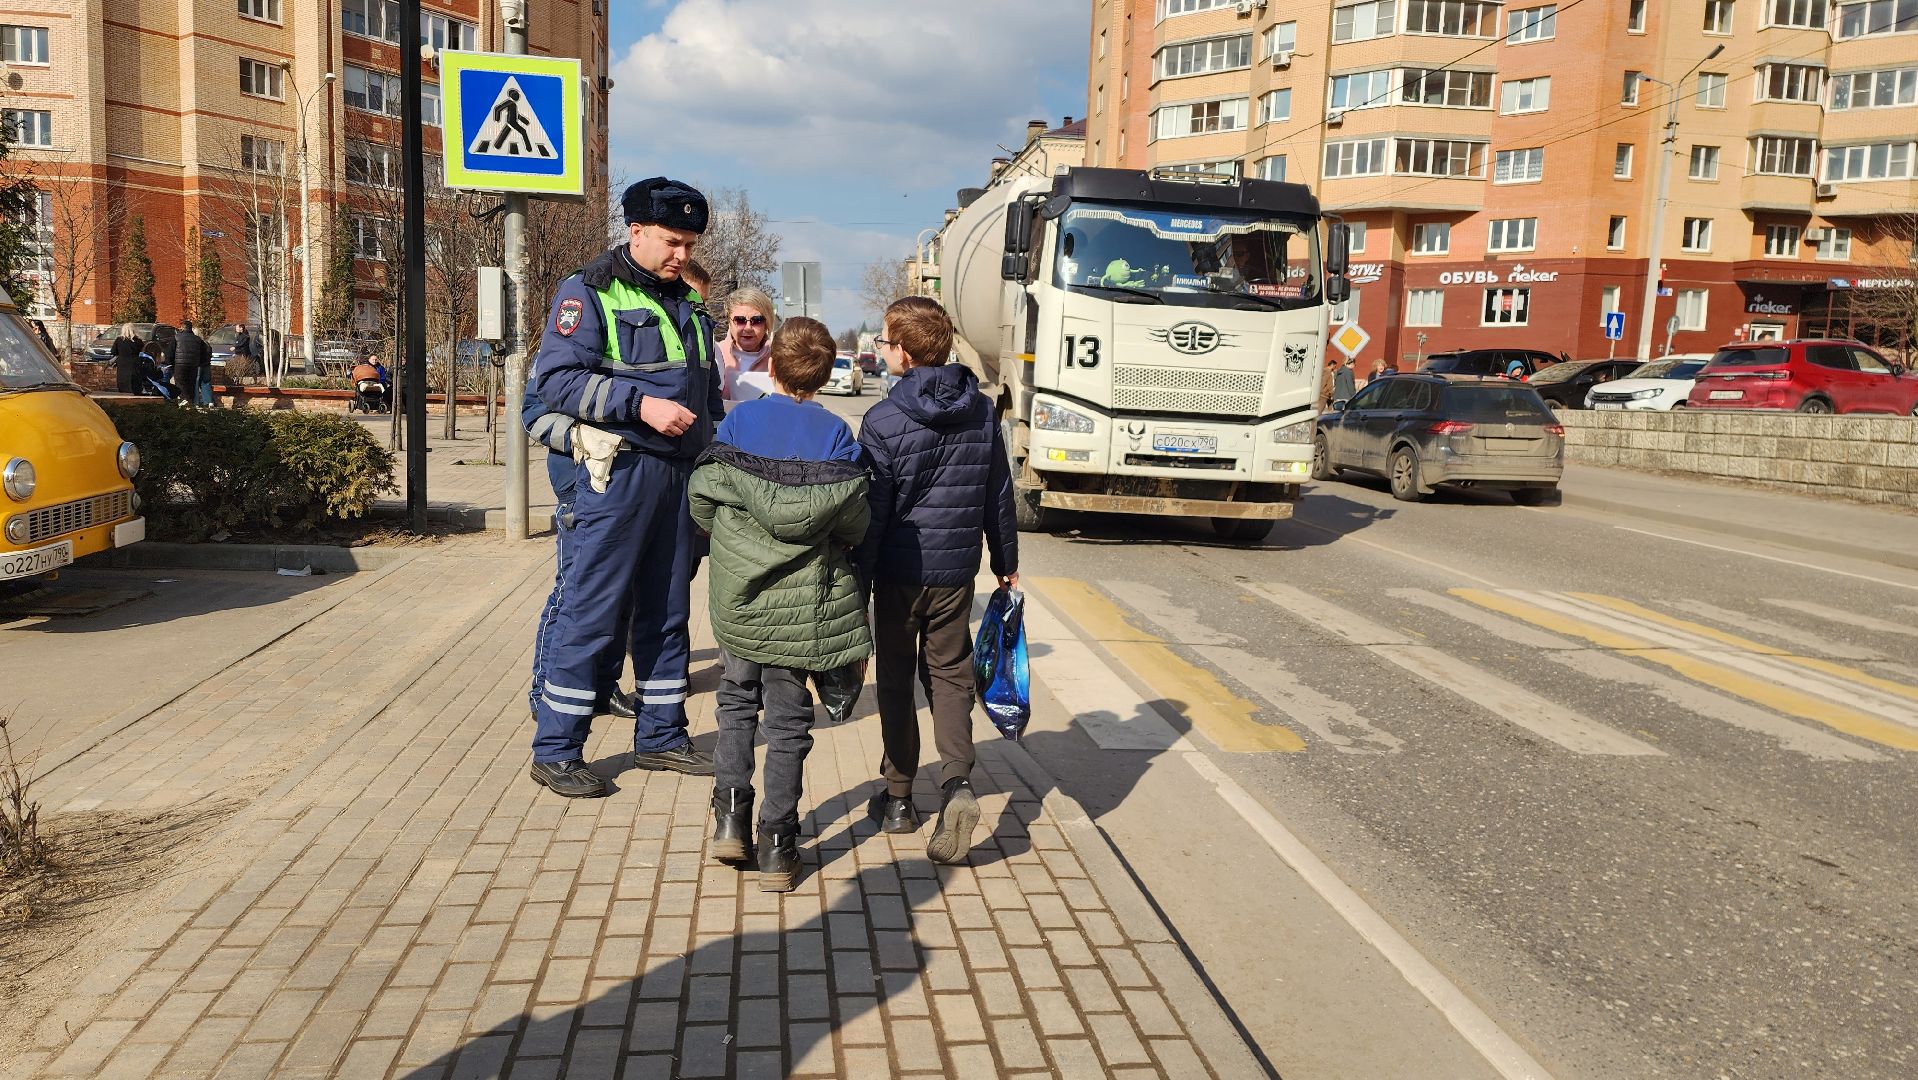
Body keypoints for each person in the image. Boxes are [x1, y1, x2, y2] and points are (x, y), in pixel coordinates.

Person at [527, 176, 723, 797]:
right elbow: (555, 383)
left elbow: (705, 396)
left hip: (678, 477)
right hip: (616, 475)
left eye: (690, 244)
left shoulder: (690, 307)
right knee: (594, 611)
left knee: (668, 611)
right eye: (672, 242)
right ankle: (557, 748)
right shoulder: (587, 295)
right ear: (635, 231)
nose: (682, 255)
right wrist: (639, 406)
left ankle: (661, 736)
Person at [688, 316, 870, 891]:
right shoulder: (838, 436)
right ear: (822, 374)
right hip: (802, 608)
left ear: (771, 364)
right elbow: (856, 521)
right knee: (789, 722)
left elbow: (705, 504)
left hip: (740, 598)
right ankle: (777, 842)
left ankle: (730, 821)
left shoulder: (740, 421)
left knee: (736, 702)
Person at [858, 296, 1018, 866]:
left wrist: (859, 582)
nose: (882, 348)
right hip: (956, 571)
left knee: (897, 680)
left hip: (898, 573)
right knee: (951, 677)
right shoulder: (980, 412)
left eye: (883, 340)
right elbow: (998, 493)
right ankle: (958, 785)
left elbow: (872, 513)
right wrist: (1005, 561)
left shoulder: (882, 420)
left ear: (902, 352)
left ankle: (899, 799)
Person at [715, 286, 774, 401]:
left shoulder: (778, 357)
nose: (748, 328)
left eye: (757, 320)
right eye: (740, 320)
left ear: (767, 323)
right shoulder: (715, 353)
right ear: (729, 321)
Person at [171, 321, 209, 407]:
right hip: (193, 366)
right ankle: (190, 401)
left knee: (180, 383)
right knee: (191, 384)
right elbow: (203, 353)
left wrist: (171, 363)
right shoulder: (198, 339)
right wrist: (200, 363)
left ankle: (182, 400)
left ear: (182, 327)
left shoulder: (176, 337)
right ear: (191, 328)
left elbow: (170, 352)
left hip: (179, 365)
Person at [111, 324, 145, 394]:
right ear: (133, 330)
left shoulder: (119, 340)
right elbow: (142, 350)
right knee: (134, 377)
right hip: (134, 361)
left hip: (122, 362)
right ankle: (133, 389)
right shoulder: (138, 341)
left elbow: (113, 351)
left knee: (122, 376)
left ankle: (123, 389)